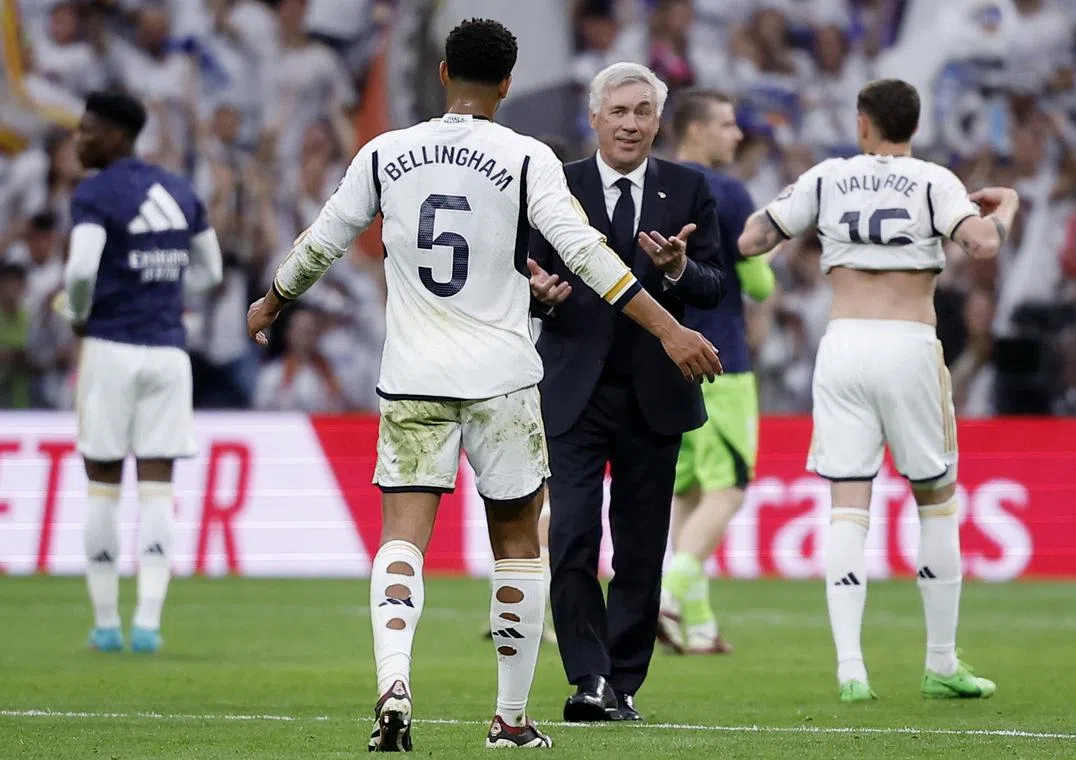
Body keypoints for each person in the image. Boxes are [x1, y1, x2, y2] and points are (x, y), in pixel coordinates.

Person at [244, 20, 721, 752]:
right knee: (518, 546)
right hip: (501, 379)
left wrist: (274, 298)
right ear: (506, 83)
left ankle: (396, 683)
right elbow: (590, 258)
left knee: (403, 541)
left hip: (412, 376)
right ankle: (508, 717)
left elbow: (324, 240)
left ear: (441, 74)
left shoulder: (385, 152)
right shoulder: (528, 157)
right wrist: (669, 328)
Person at [737, 78, 1019, 702]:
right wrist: (1008, 207)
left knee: (847, 504)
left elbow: (753, 239)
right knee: (935, 498)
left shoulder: (828, 175)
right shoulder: (934, 180)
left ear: (862, 122)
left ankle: (849, 668)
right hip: (908, 342)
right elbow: (983, 244)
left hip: (841, 345)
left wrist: (785, 210)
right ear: (912, 125)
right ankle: (941, 661)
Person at [527, 61, 728, 723]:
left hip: (654, 394)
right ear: (595, 117)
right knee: (573, 538)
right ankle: (588, 678)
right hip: (573, 394)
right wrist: (541, 297)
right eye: (619, 111)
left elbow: (714, 286)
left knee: (641, 549)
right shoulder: (557, 186)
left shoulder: (689, 187)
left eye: (643, 111)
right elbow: (522, 272)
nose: (631, 123)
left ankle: (624, 683)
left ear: (658, 121)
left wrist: (677, 269)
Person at [59, 91, 223, 654]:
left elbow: (81, 267)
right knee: (157, 487)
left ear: (117, 135)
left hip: (111, 346)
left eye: (87, 130)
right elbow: (212, 270)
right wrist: (166, 295)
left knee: (102, 484)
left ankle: (106, 623)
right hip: (168, 353)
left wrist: (79, 312)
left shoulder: (96, 192)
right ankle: (149, 622)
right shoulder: (178, 188)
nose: (78, 140)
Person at [657, 89, 775, 656]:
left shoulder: (649, 184)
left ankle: (697, 625)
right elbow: (758, 286)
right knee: (727, 491)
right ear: (696, 130)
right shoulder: (727, 193)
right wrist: (762, 260)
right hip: (720, 361)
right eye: (727, 124)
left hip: (661, 361)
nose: (737, 136)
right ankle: (667, 595)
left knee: (686, 493)